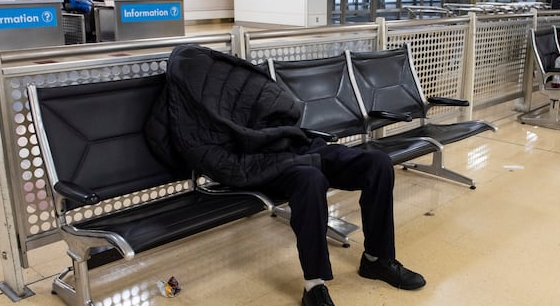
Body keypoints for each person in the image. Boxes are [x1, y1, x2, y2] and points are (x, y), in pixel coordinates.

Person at [146, 45, 426, 306]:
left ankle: (377, 260)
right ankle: (314, 285)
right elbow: (203, 151)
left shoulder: (226, 79)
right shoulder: (185, 100)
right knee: (310, 179)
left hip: (295, 145)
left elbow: (274, 106)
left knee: (378, 163)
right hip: (258, 162)